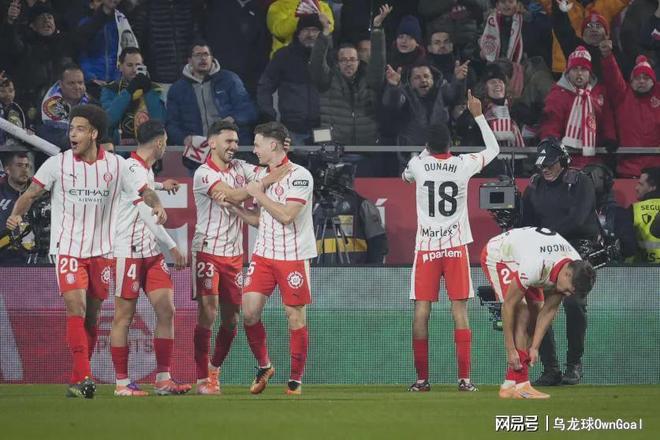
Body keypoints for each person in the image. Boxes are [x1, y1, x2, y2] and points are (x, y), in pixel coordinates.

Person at [5, 104, 164, 398]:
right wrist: (16, 215)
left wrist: (156, 205)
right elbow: (31, 193)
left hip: (102, 252)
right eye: (71, 129)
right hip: (68, 250)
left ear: (93, 133)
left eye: (79, 129)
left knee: (92, 317)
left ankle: (79, 380)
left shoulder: (117, 166)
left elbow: (145, 191)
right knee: (75, 308)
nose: (72, 134)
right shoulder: (58, 164)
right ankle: (85, 376)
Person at [402, 89, 500, 392]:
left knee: (422, 311)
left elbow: (406, 176)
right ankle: (465, 379)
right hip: (455, 247)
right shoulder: (463, 164)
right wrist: (478, 115)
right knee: (460, 311)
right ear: (451, 144)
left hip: (427, 248)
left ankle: (422, 380)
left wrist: (423, 153)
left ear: (428, 145)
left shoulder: (418, 164)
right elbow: (494, 149)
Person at [190, 119, 288, 394]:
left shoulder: (240, 168)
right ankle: (202, 379)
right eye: (228, 141)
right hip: (207, 250)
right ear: (212, 143)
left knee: (232, 319)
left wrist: (280, 150)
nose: (234, 146)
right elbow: (233, 195)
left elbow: (271, 168)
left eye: (236, 141)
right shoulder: (203, 174)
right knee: (208, 312)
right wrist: (260, 184)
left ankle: (214, 370)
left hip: (234, 255)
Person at [228, 121, 316, 396]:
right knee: (249, 312)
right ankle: (265, 366)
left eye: (257, 145)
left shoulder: (300, 176)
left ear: (273, 145)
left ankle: (295, 381)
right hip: (264, 255)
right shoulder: (262, 175)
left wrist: (257, 193)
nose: (254, 150)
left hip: (293, 256)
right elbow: (262, 219)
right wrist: (238, 211)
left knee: (295, 317)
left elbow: (287, 215)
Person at [109, 120, 190, 397]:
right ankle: (122, 383)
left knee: (167, 311)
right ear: (159, 142)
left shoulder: (145, 170)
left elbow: (148, 187)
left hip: (151, 255)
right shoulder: (131, 168)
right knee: (124, 316)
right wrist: (173, 246)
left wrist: (162, 186)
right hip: (128, 253)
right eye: (165, 141)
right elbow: (146, 211)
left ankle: (163, 379)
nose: (166, 146)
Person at [481, 227, 596, 399]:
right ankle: (522, 385)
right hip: (501, 255)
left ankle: (510, 384)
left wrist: (535, 347)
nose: (567, 294)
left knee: (536, 309)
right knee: (522, 312)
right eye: (568, 290)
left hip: (527, 255)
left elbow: (548, 311)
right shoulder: (536, 266)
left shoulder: (574, 266)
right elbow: (508, 306)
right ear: (567, 274)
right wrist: (510, 349)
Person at [521, 137, 600, 386]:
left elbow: (578, 219)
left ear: (563, 162)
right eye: (542, 165)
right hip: (546, 252)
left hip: (576, 249)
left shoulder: (580, 182)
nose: (545, 169)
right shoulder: (534, 187)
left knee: (574, 304)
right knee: (538, 306)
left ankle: (574, 364)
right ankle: (550, 368)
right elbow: (525, 223)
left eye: (550, 164)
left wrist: (546, 235)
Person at [166, 41, 257, 172]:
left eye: (206, 54)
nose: (203, 58)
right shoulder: (178, 89)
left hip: (234, 152)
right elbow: (171, 124)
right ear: (189, 60)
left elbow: (249, 111)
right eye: (198, 55)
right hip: (197, 155)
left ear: (212, 58)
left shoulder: (229, 79)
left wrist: (232, 119)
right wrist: (184, 139)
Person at [538, 46, 617, 169]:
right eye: (575, 69)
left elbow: (607, 119)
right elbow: (551, 126)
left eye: (583, 69)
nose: (579, 73)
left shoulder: (599, 93)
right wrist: (553, 152)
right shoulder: (557, 95)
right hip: (566, 160)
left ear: (589, 73)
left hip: (593, 160)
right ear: (568, 72)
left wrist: (610, 137)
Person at [257, 14, 323, 145]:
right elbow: (264, 86)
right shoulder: (283, 56)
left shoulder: (329, 56)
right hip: (292, 129)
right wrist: (269, 115)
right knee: (294, 158)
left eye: (314, 30)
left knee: (323, 157)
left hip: (323, 128)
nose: (310, 34)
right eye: (306, 30)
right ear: (298, 33)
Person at [599, 41, 660, 178]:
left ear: (653, 81)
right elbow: (613, 76)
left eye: (646, 78)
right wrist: (608, 56)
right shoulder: (623, 95)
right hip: (628, 170)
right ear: (631, 81)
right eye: (637, 78)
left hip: (656, 172)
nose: (641, 81)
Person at [101, 47, 166, 145]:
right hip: (119, 148)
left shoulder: (155, 89)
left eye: (138, 65)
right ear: (120, 66)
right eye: (129, 65)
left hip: (148, 146)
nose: (134, 70)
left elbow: (159, 122)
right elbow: (109, 120)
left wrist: (148, 92)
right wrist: (128, 92)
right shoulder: (110, 89)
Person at [37, 64, 93, 150]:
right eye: (71, 83)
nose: (77, 87)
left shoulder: (93, 104)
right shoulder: (50, 104)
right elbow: (52, 136)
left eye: (80, 83)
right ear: (61, 84)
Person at [266, 0, 335, 57]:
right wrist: (300, 18)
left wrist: (321, 20)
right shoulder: (278, 6)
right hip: (285, 57)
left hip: (316, 56)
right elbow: (279, 31)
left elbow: (330, 27)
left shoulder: (322, 5)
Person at [0, 152, 32, 264]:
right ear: (7, 170)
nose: (25, 170)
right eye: (19, 165)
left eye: (26, 166)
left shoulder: (38, 191)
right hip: (3, 255)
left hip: (33, 257)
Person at [631, 167, 660, 263]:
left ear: (653, 187)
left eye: (641, 184)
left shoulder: (635, 209)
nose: (636, 188)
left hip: (644, 268)